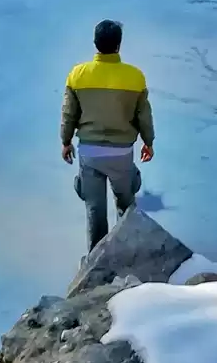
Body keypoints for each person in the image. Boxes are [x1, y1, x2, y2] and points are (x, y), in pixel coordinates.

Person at [60, 19, 154, 252]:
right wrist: (148, 142)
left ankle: (96, 261)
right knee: (126, 205)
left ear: (95, 43)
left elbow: (68, 114)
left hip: (89, 153)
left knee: (95, 211)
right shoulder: (135, 77)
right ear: (119, 45)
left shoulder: (77, 75)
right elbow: (144, 116)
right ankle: (128, 253)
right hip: (121, 153)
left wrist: (66, 141)